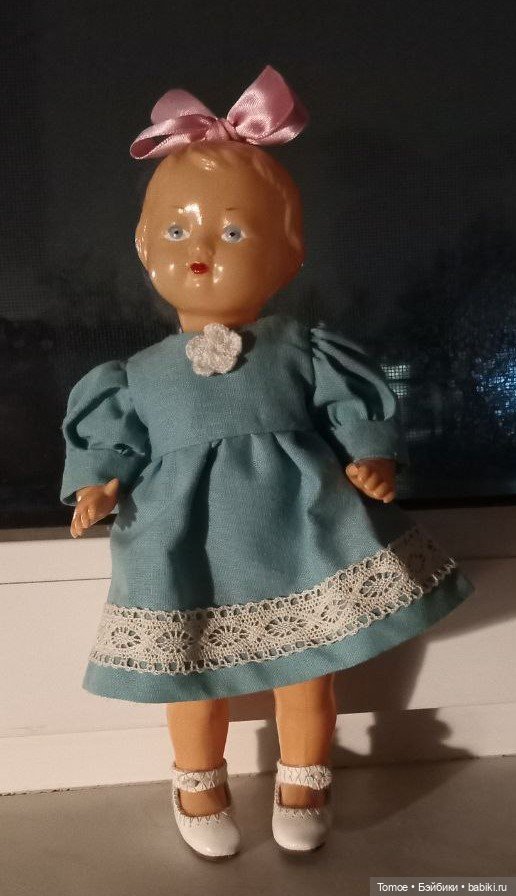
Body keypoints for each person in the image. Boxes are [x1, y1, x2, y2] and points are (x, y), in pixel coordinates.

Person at [60, 66, 475, 861]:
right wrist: (99, 485)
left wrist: (370, 458)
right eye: (176, 234)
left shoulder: (300, 348)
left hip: (297, 529)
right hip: (182, 543)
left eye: (233, 234)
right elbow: (113, 440)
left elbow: (354, 405)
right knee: (190, 677)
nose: (201, 251)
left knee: (309, 673)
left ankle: (305, 778)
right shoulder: (135, 375)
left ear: (289, 255)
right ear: (145, 249)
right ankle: (198, 781)